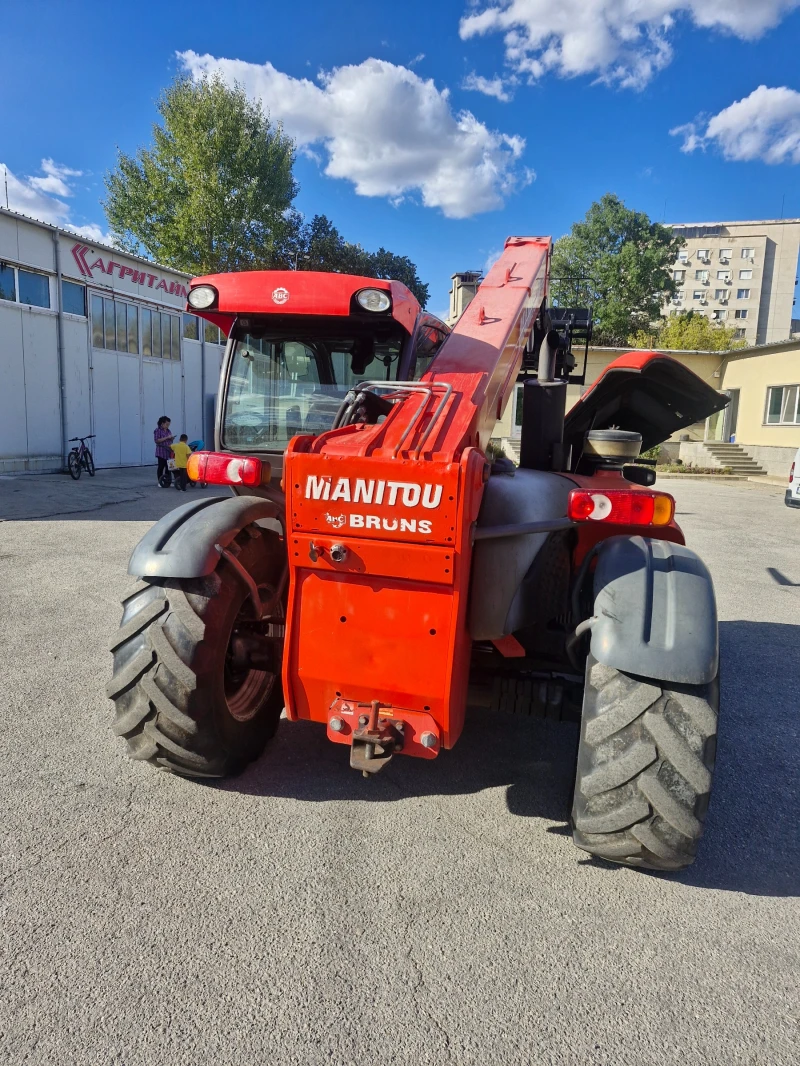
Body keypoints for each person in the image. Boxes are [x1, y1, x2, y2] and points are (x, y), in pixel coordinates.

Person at [154, 416, 174, 486]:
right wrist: (166, 438)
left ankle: (168, 481)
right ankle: (160, 482)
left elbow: (170, 439)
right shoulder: (158, 430)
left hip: (168, 451)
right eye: (166, 424)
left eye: (168, 424)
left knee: (168, 467)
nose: (167, 426)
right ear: (162, 423)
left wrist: (171, 438)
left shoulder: (168, 431)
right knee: (161, 467)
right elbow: (157, 440)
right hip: (161, 451)